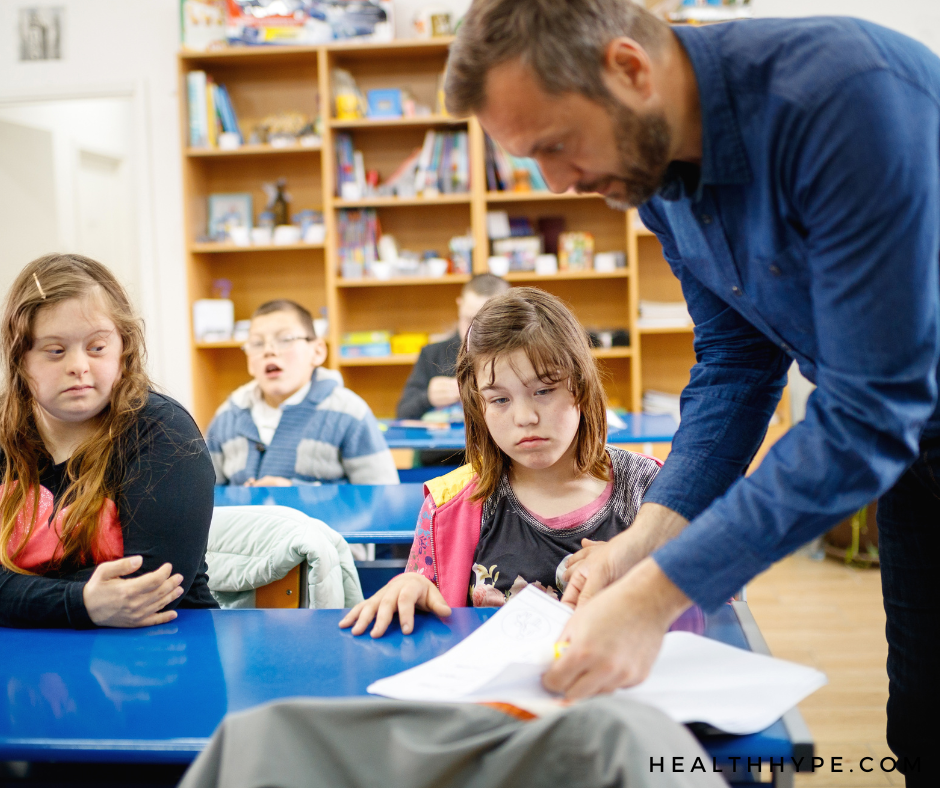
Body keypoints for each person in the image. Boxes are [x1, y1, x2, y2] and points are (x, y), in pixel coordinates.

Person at [444, 1, 940, 782]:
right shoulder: (655, 171)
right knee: (924, 725)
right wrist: (637, 545)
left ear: (631, 71)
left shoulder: (844, 98)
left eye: (557, 145)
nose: (561, 184)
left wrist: (652, 597)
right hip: (919, 461)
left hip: (900, 423)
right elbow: (737, 364)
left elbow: (870, 409)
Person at [340, 287, 661, 637]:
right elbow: (423, 595)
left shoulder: (652, 489)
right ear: (479, 407)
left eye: (544, 390)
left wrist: (638, 569)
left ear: (581, 386)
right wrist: (411, 590)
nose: (525, 417)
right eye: (500, 399)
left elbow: (707, 609)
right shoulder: (448, 506)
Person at [0, 253, 218, 629]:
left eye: (97, 348)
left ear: (123, 349)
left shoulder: (162, 430)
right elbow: (98, 598)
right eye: (55, 351)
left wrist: (18, 594)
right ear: (21, 357)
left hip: (164, 651)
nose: (79, 366)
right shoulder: (6, 432)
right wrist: (81, 600)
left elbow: (147, 588)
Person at [206, 299, 399, 486]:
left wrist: (296, 494)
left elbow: (381, 495)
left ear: (317, 352)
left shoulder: (349, 411)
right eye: (257, 343)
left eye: (285, 339)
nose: (269, 351)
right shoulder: (227, 417)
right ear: (249, 361)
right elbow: (208, 496)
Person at [396, 273, 509, 420]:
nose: (474, 332)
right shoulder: (432, 354)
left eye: (488, 324)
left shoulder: (518, 356)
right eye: (469, 320)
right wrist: (428, 398)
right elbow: (402, 413)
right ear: (460, 305)